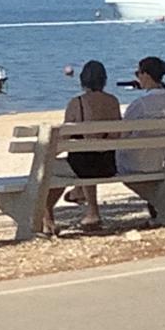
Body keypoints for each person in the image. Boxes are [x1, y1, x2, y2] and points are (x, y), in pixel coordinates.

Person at [42, 60, 122, 235]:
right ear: (104, 79)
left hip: (82, 167)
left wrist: (49, 154)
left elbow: (64, 138)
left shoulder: (76, 103)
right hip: (108, 166)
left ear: (82, 80)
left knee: (51, 168)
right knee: (88, 157)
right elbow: (117, 135)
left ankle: (47, 217)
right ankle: (89, 208)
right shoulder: (113, 101)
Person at [117, 56, 165, 219]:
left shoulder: (140, 104)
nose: (137, 77)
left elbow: (122, 134)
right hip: (158, 160)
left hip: (132, 164)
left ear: (146, 75)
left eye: (137, 73)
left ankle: (162, 210)